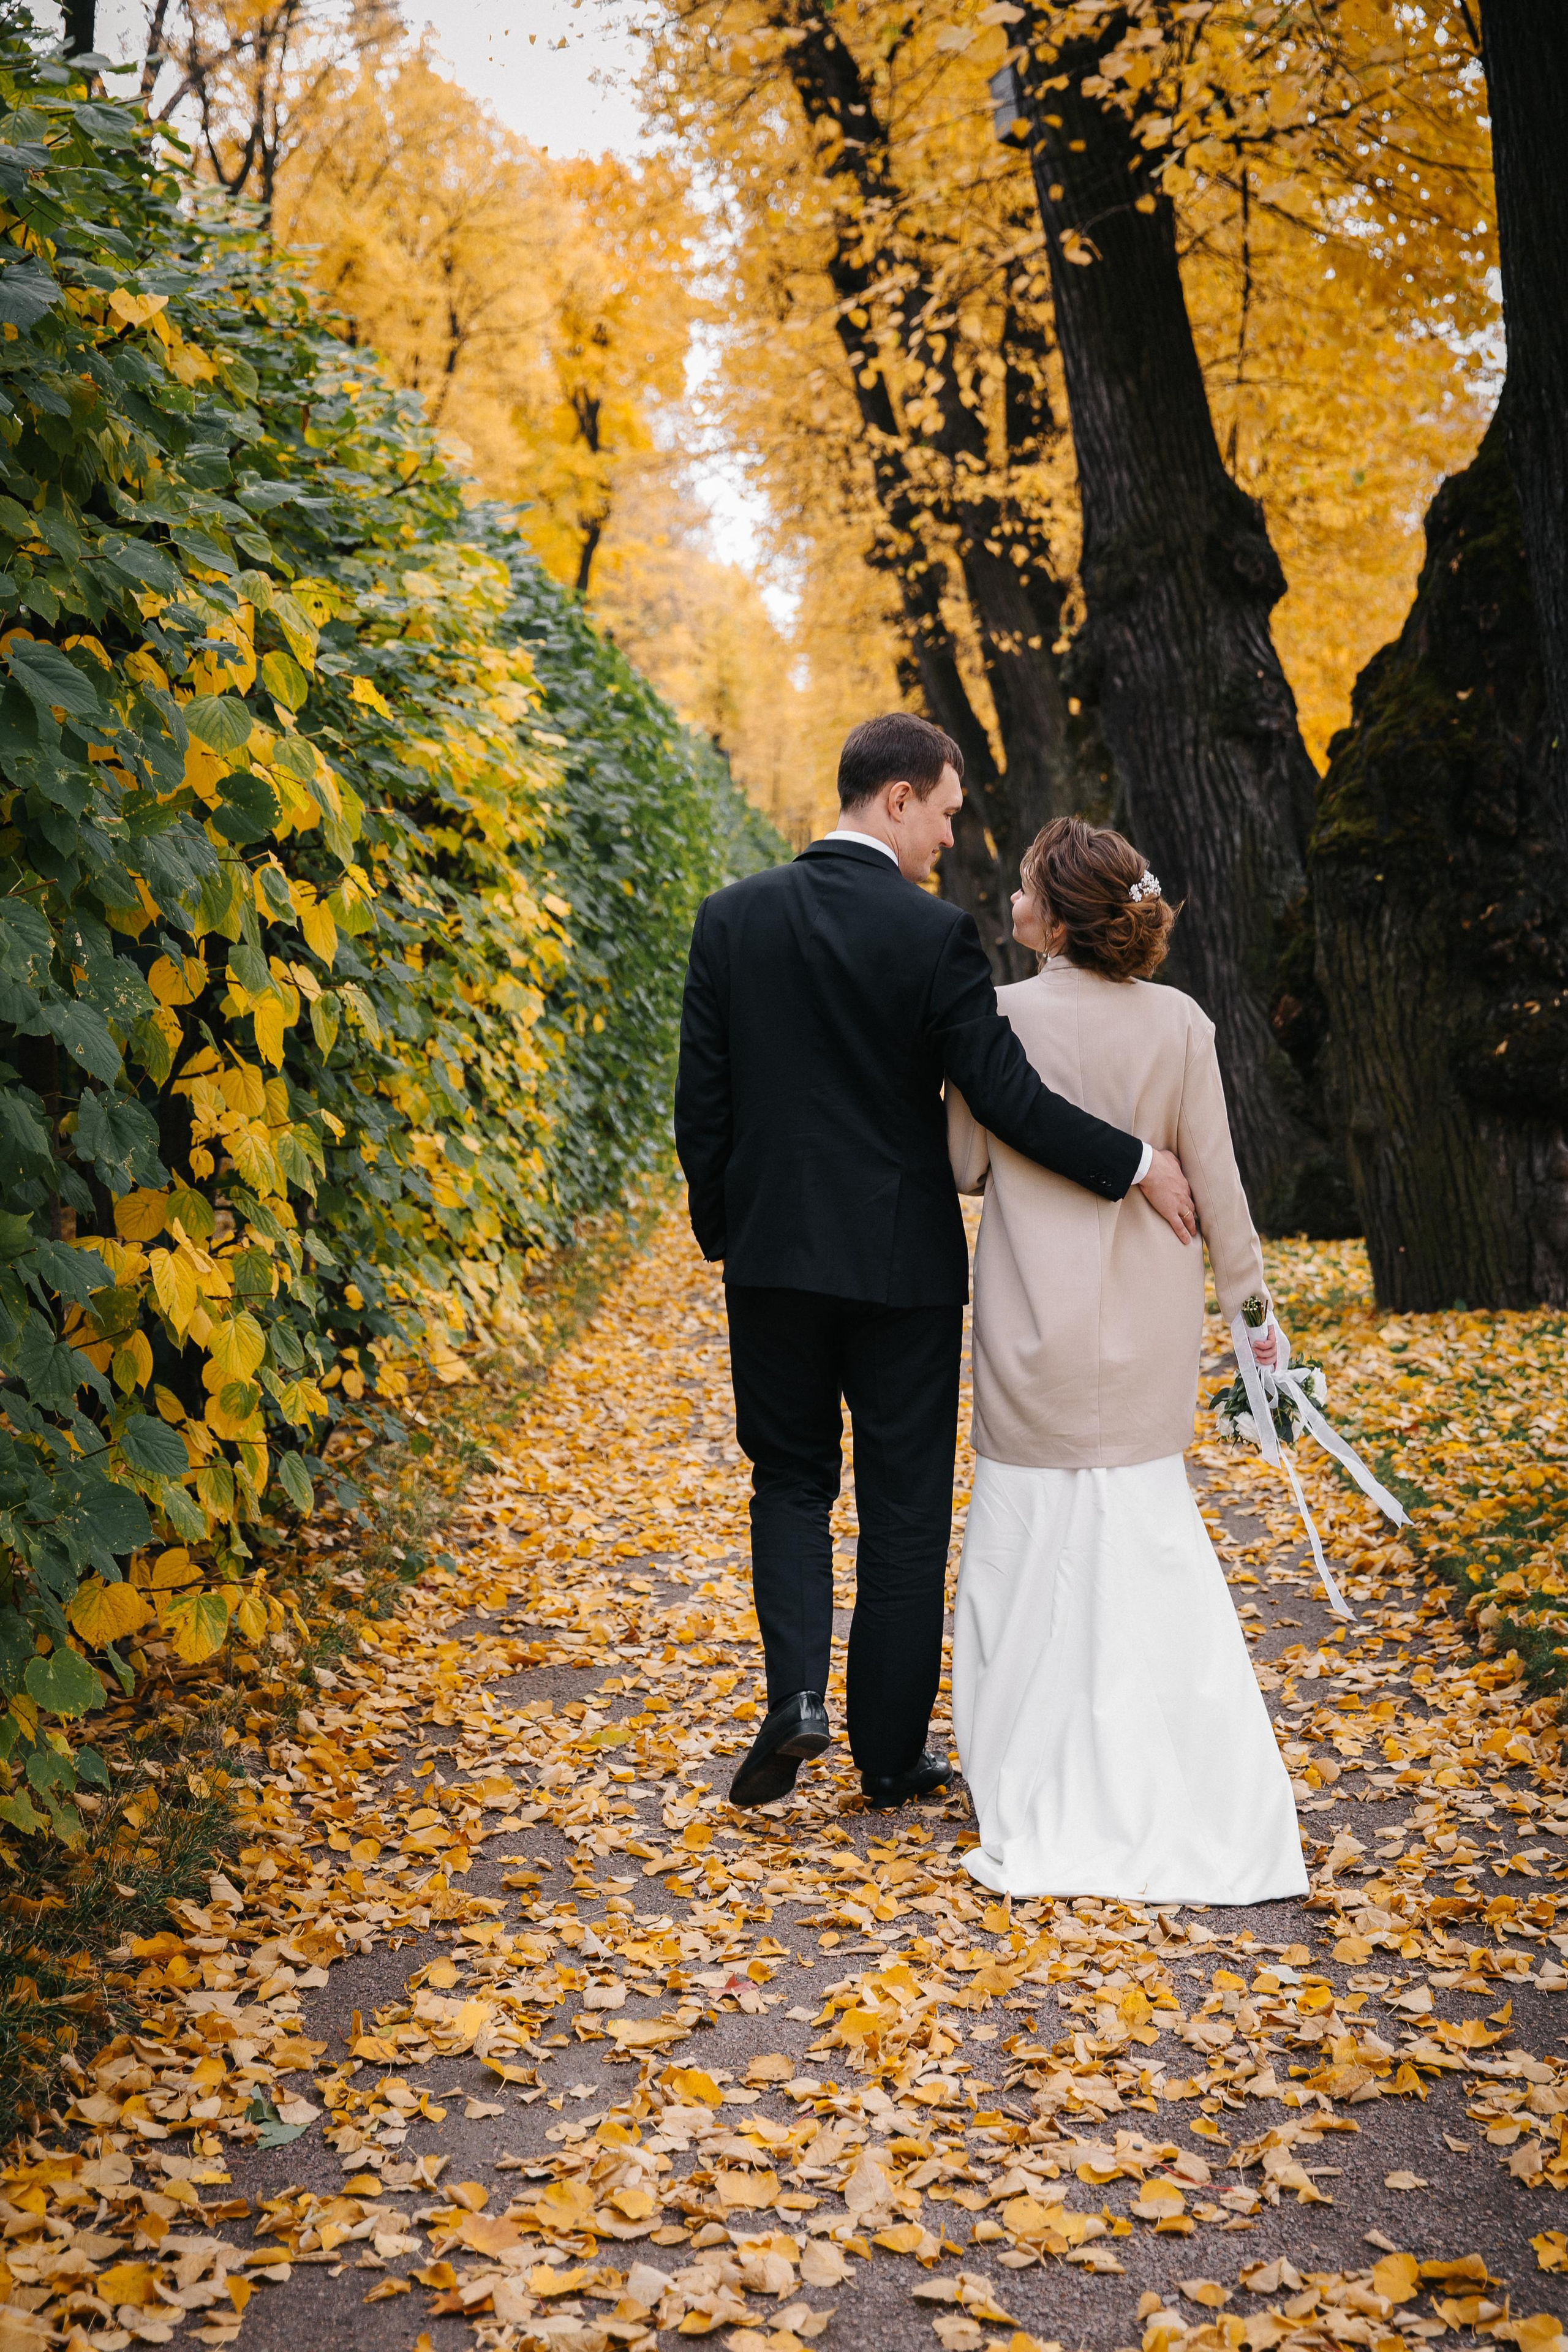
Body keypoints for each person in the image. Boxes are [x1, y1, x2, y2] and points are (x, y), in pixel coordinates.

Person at [673, 715, 1198, 1811]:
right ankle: (888, 1757)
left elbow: (702, 1107)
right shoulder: (933, 940)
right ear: (898, 798)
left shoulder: (731, 920)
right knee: (905, 1508)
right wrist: (1137, 1160)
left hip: (772, 1261)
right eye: (947, 816)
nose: (949, 845)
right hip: (903, 1269)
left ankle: (795, 1699)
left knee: (789, 1479)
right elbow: (1006, 1101)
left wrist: (732, 1233)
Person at [948, 815, 1306, 1903]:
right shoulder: (1183, 1025)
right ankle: (1183, 1776)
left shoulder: (996, 1019)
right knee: (1151, 1554)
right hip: (1146, 1333)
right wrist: (1255, 1321)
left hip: (1031, 1340)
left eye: (1021, 890)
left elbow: (965, 1164)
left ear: (1056, 917)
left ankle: (1034, 1773)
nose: (1010, 904)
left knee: (1023, 1569)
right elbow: (1224, 1186)